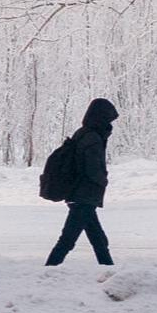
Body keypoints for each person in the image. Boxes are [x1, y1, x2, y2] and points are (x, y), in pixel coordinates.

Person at [43, 97, 117, 266]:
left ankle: (108, 268)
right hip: (84, 194)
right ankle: (49, 269)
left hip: (79, 194)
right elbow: (92, 168)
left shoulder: (83, 133)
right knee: (68, 240)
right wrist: (103, 181)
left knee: (98, 239)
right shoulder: (92, 138)